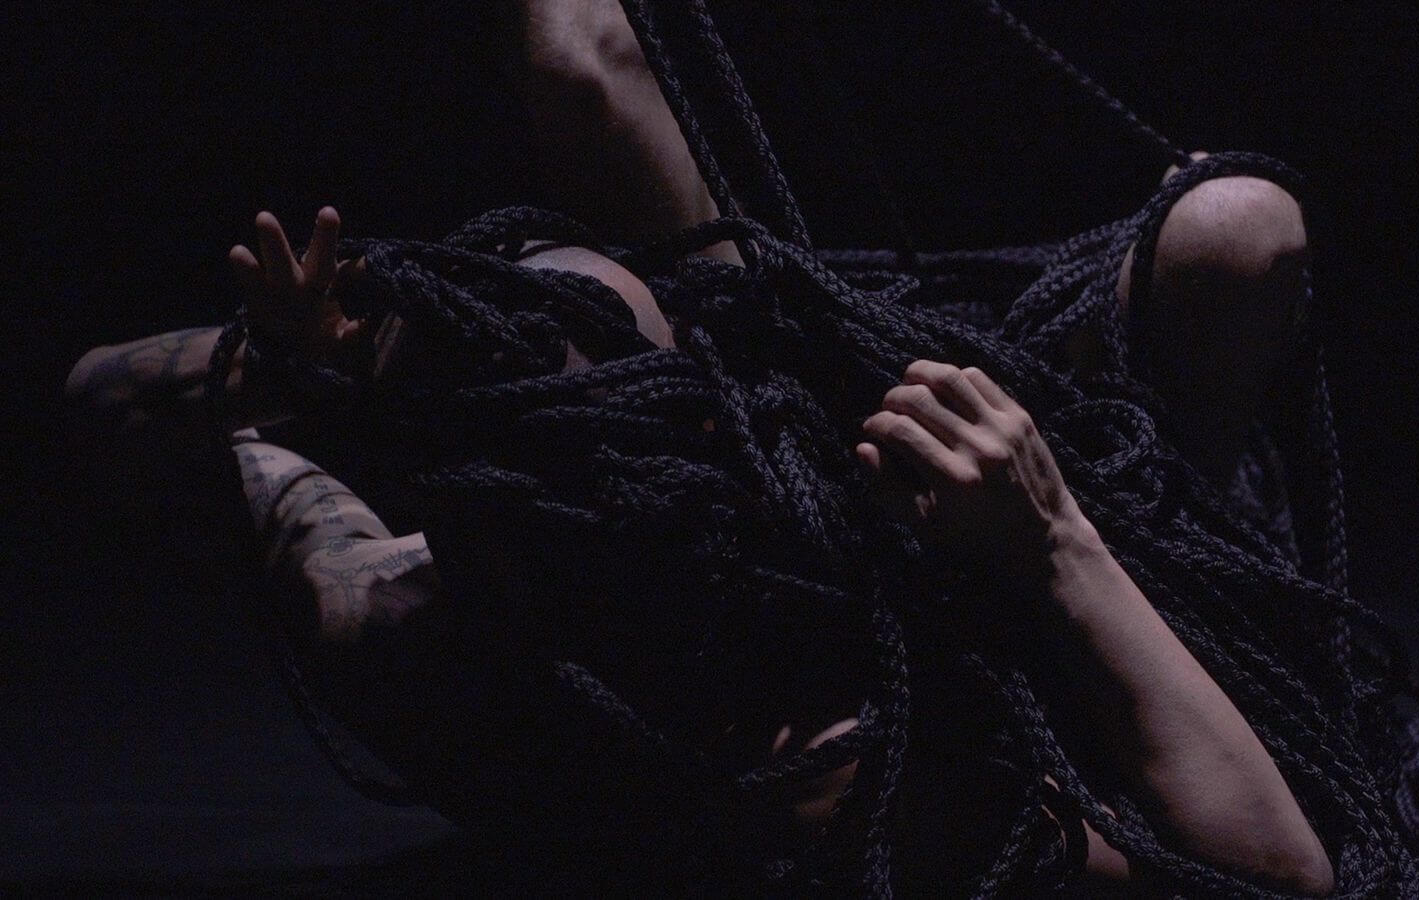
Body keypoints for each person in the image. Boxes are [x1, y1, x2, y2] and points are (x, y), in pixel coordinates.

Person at [64, 1, 1329, 893]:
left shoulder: (705, 450)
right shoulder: (829, 763)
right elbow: (1275, 878)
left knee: (1239, 227)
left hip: (789, 521)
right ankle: (1187, 529)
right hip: (1030, 637)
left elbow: (588, 66)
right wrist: (1058, 543)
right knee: (1238, 239)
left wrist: (325, 373)